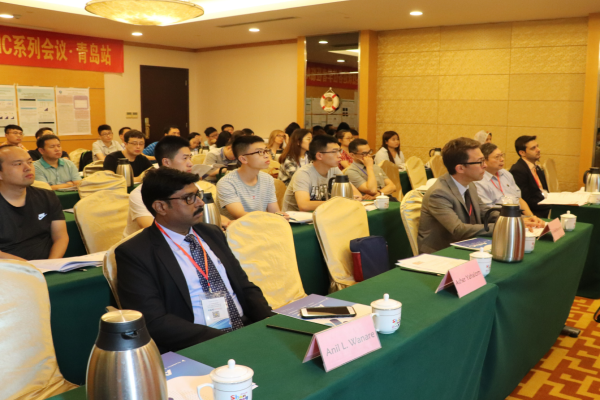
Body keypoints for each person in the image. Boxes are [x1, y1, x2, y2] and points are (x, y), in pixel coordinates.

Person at [116, 167, 274, 353]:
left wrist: (270, 320)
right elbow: (154, 321)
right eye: (188, 198)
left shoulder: (212, 233)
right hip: (195, 345)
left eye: (197, 195)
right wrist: (227, 341)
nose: (200, 203)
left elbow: (244, 286)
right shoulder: (135, 253)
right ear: (160, 207)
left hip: (245, 329)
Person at [123, 135, 230, 237]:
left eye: (190, 158)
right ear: (166, 162)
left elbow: (202, 212)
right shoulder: (141, 193)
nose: (190, 164)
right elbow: (155, 229)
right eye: (185, 158)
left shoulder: (192, 188)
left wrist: (224, 222)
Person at [418, 137, 496, 254]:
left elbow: (485, 212)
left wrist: (513, 219)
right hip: (442, 253)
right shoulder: (439, 193)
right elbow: (458, 230)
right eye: (480, 161)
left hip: (467, 245)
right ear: (460, 168)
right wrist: (502, 227)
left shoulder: (470, 185)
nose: (485, 165)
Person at [0, 145, 68, 260]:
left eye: (30, 162)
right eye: (18, 164)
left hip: (48, 264)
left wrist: (51, 264)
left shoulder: (47, 196)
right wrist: (28, 266)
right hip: (9, 267)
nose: (28, 168)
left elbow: (61, 237)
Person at [282, 135, 361, 212]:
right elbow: (304, 205)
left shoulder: (334, 169)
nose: (340, 155)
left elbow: (357, 194)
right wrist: (338, 202)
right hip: (297, 218)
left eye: (339, 151)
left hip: (323, 214)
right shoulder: (303, 174)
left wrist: (351, 199)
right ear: (319, 156)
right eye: (334, 151)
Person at [217, 135, 286, 220]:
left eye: (266, 151)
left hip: (262, 224)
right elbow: (240, 215)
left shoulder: (267, 179)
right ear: (243, 159)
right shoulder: (227, 183)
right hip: (237, 227)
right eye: (260, 152)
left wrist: (280, 216)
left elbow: (274, 211)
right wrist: (271, 218)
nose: (267, 156)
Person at [475, 143, 544, 227]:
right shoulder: (478, 181)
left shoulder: (506, 174)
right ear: (484, 160)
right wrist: (517, 220)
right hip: (498, 222)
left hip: (517, 216)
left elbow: (518, 199)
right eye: (497, 157)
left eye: (502, 155)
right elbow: (488, 212)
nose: (502, 159)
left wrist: (530, 217)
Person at [509, 135, 551, 219]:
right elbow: (526, 200)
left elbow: (544, 190)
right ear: (522, 153)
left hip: (544, 206)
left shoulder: (536, 167)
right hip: (533, 213)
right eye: (533, 148)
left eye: (537, 146)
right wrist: (551, 204)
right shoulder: (518, 170)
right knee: (562, 214)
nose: (538, 150)